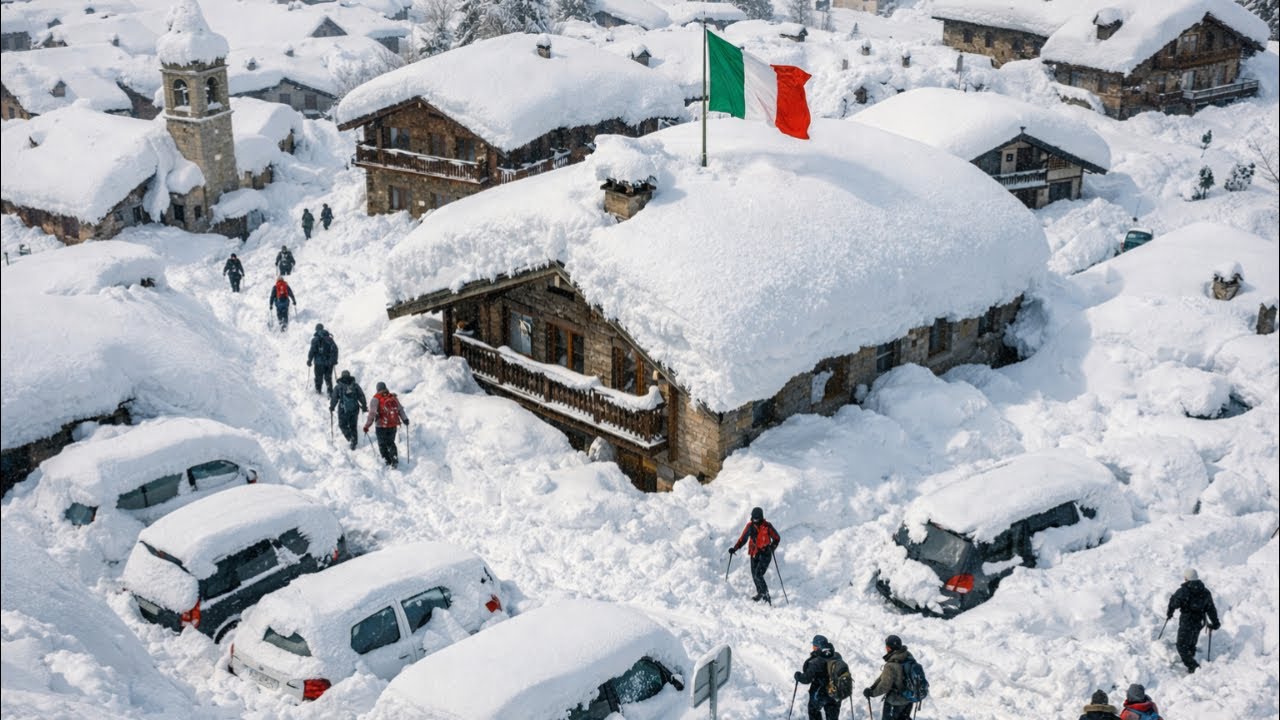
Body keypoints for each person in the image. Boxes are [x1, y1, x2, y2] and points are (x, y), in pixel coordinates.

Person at [1167, 568, 1220, 673]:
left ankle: (1193, 666)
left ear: (1186, 578)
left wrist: (1170, 613)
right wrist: (1215, 622)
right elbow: (1211, 608)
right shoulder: (1205, 592)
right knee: (1191, 642)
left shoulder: (1183, 591)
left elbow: (1174, 603)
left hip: (1187, 621)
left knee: (1181, 645)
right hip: (1199, 622)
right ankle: (1191, 657)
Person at [728, 507, 781, 604]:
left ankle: (766, 596)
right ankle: (760, 593)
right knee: (754, 575)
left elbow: (777, 538)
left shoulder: (768, 526)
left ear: (761, 517)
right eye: (754, 518)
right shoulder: (750, 526)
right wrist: (734, 548)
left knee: (758, 574)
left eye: (757, 518)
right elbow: (742, 539)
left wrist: (772, 547)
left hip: (765, 554)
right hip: (754, 553)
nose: (755, 520)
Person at [863, 635, 914, 720]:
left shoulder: (891, 665)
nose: (885, 648)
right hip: (909, 699)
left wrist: (872, 693)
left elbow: (885, 685)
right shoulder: (908, 657)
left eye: (887, 646)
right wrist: (873, 687)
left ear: (890, 648)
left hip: (894, 702)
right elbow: (883, 677)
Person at [794, 635, 842, 720]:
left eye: (813, 645)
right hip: (836, 692)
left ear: (817, 647)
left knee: (813, 710)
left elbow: (806, 679)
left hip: (821, 693)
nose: (812, 647)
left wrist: (798, 676)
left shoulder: (815, 661)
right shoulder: (837, 656)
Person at [364, 382, 409, 468]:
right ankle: (394, 458)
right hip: (393, 425)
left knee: (382, 444)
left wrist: (367, 426)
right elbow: (400, 410)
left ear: (377, 389)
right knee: (390, 442)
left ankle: (387, 460)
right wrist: (405, 419)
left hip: (381, 426)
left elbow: (372, 414)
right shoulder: (393, 397)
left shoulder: (375, 399)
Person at [329, 370, 367, 450]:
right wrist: (364, 405)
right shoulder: (355, 385)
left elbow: (334, 398)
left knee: (342, 425)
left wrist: (332, 407)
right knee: (353, 426)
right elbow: (361, 396)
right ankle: (354, 442)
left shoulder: (338, 386)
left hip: (343, 409)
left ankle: (350, 437)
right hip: (355, 408)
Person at [307, 323, 339, 396]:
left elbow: (312, 351)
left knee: (318, 378)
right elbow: (335, 349)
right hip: (329, 363)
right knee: (328, 378)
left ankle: (318, 391)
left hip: (318, 363)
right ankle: (330, 393)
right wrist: (334, 360)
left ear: (316, 329)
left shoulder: (314, 339)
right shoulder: (329, 339)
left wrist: (309, 360)